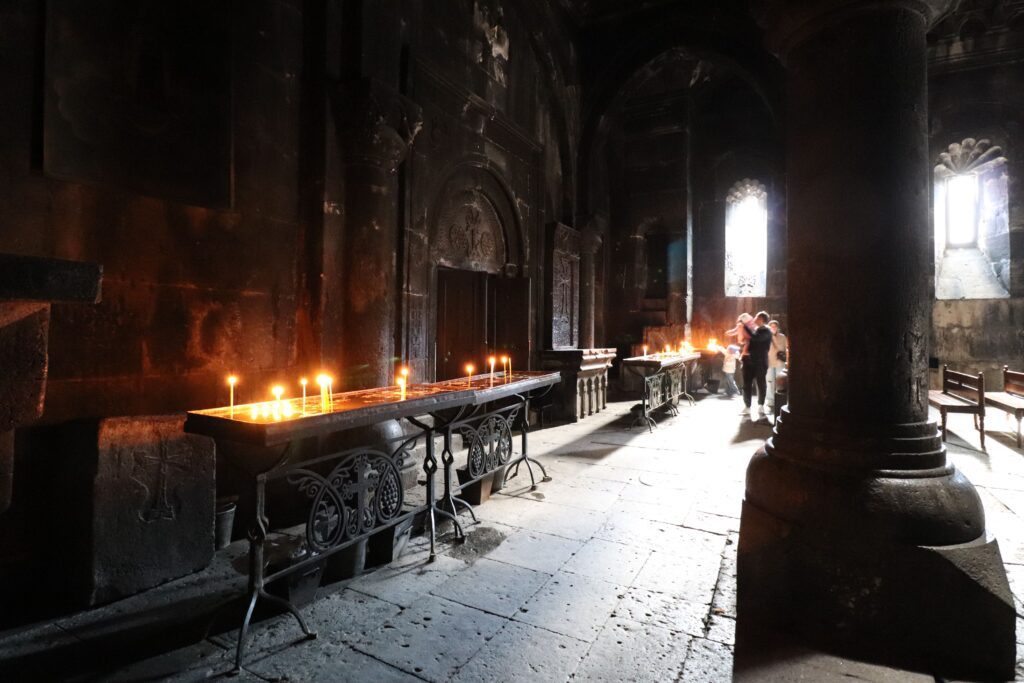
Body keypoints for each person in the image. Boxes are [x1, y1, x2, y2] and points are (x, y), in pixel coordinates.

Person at [742, 311, 773, 418]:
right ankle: (747, 406)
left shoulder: (767, 331)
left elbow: (756, 338)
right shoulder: (755, 330)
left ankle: (761, 405)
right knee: (747, 384)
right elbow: (749, 341)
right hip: (749, 361)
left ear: (761, 319)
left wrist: (745, 327)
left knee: (761, 383)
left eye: (756, 317)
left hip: (760, 361)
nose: (754, 318)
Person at [766, 320, 788, 409]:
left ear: (777, 327)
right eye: (771, 326)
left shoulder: (782, 337)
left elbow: (786, 348)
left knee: (780, 382)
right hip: (769, 362)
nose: (773, 328)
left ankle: (780, 399)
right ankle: (771, 400)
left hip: (780, 362)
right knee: (770, 381)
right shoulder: (766, 337)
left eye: (775, 326)